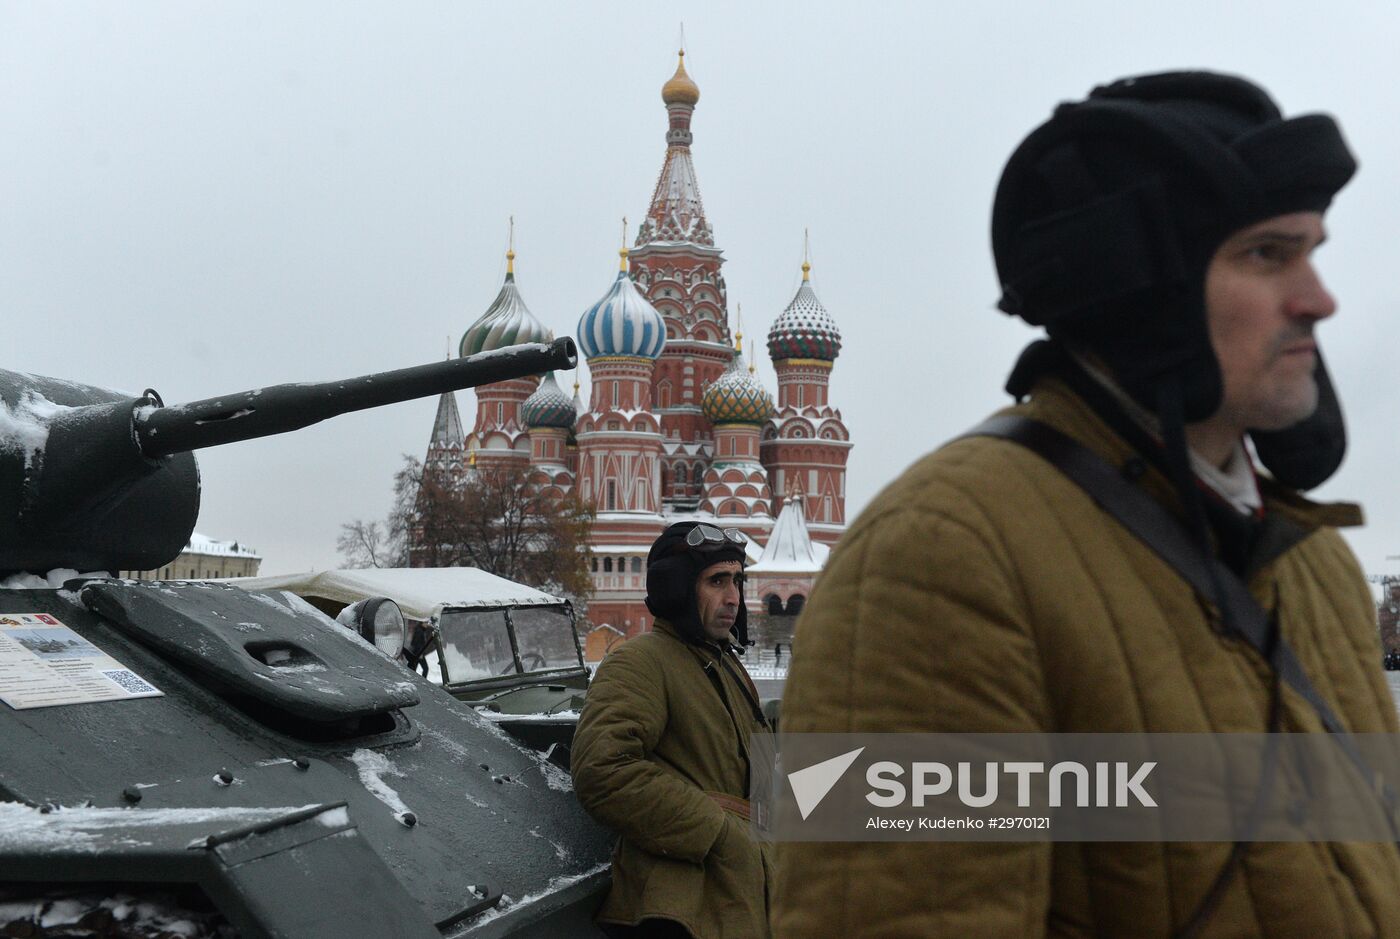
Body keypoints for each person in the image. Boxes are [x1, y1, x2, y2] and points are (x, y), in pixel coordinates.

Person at [774, 71, 1400, 937]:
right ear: (1147, 291)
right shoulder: (942, 558)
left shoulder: (1314, 561)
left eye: (1312, 251)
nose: (1319, 299)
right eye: (1268, 254)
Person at [573, 521, 773, 939]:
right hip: (684, 912)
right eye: (717, 581)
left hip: (738, 896)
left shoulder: (723, 664)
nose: (733, 597)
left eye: (737, 581)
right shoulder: (641, 661)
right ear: (676, 589)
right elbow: (603, 771)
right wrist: (719, 831)